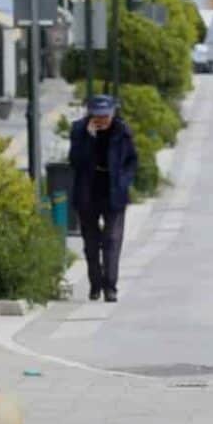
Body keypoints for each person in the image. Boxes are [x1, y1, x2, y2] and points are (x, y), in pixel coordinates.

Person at [67, 94, 138, 303]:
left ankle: (110, 287)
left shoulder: (122, 130)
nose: (102, 120)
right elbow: (75, 161)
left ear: (112, 113)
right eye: (97, 116)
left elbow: (131, 161)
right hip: (87, 192)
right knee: (91, 242)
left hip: (113, 191)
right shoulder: (79, 130)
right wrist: (89, 138)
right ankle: (95, 284)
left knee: (112, 240)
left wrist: (124, 181)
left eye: (105, 116)